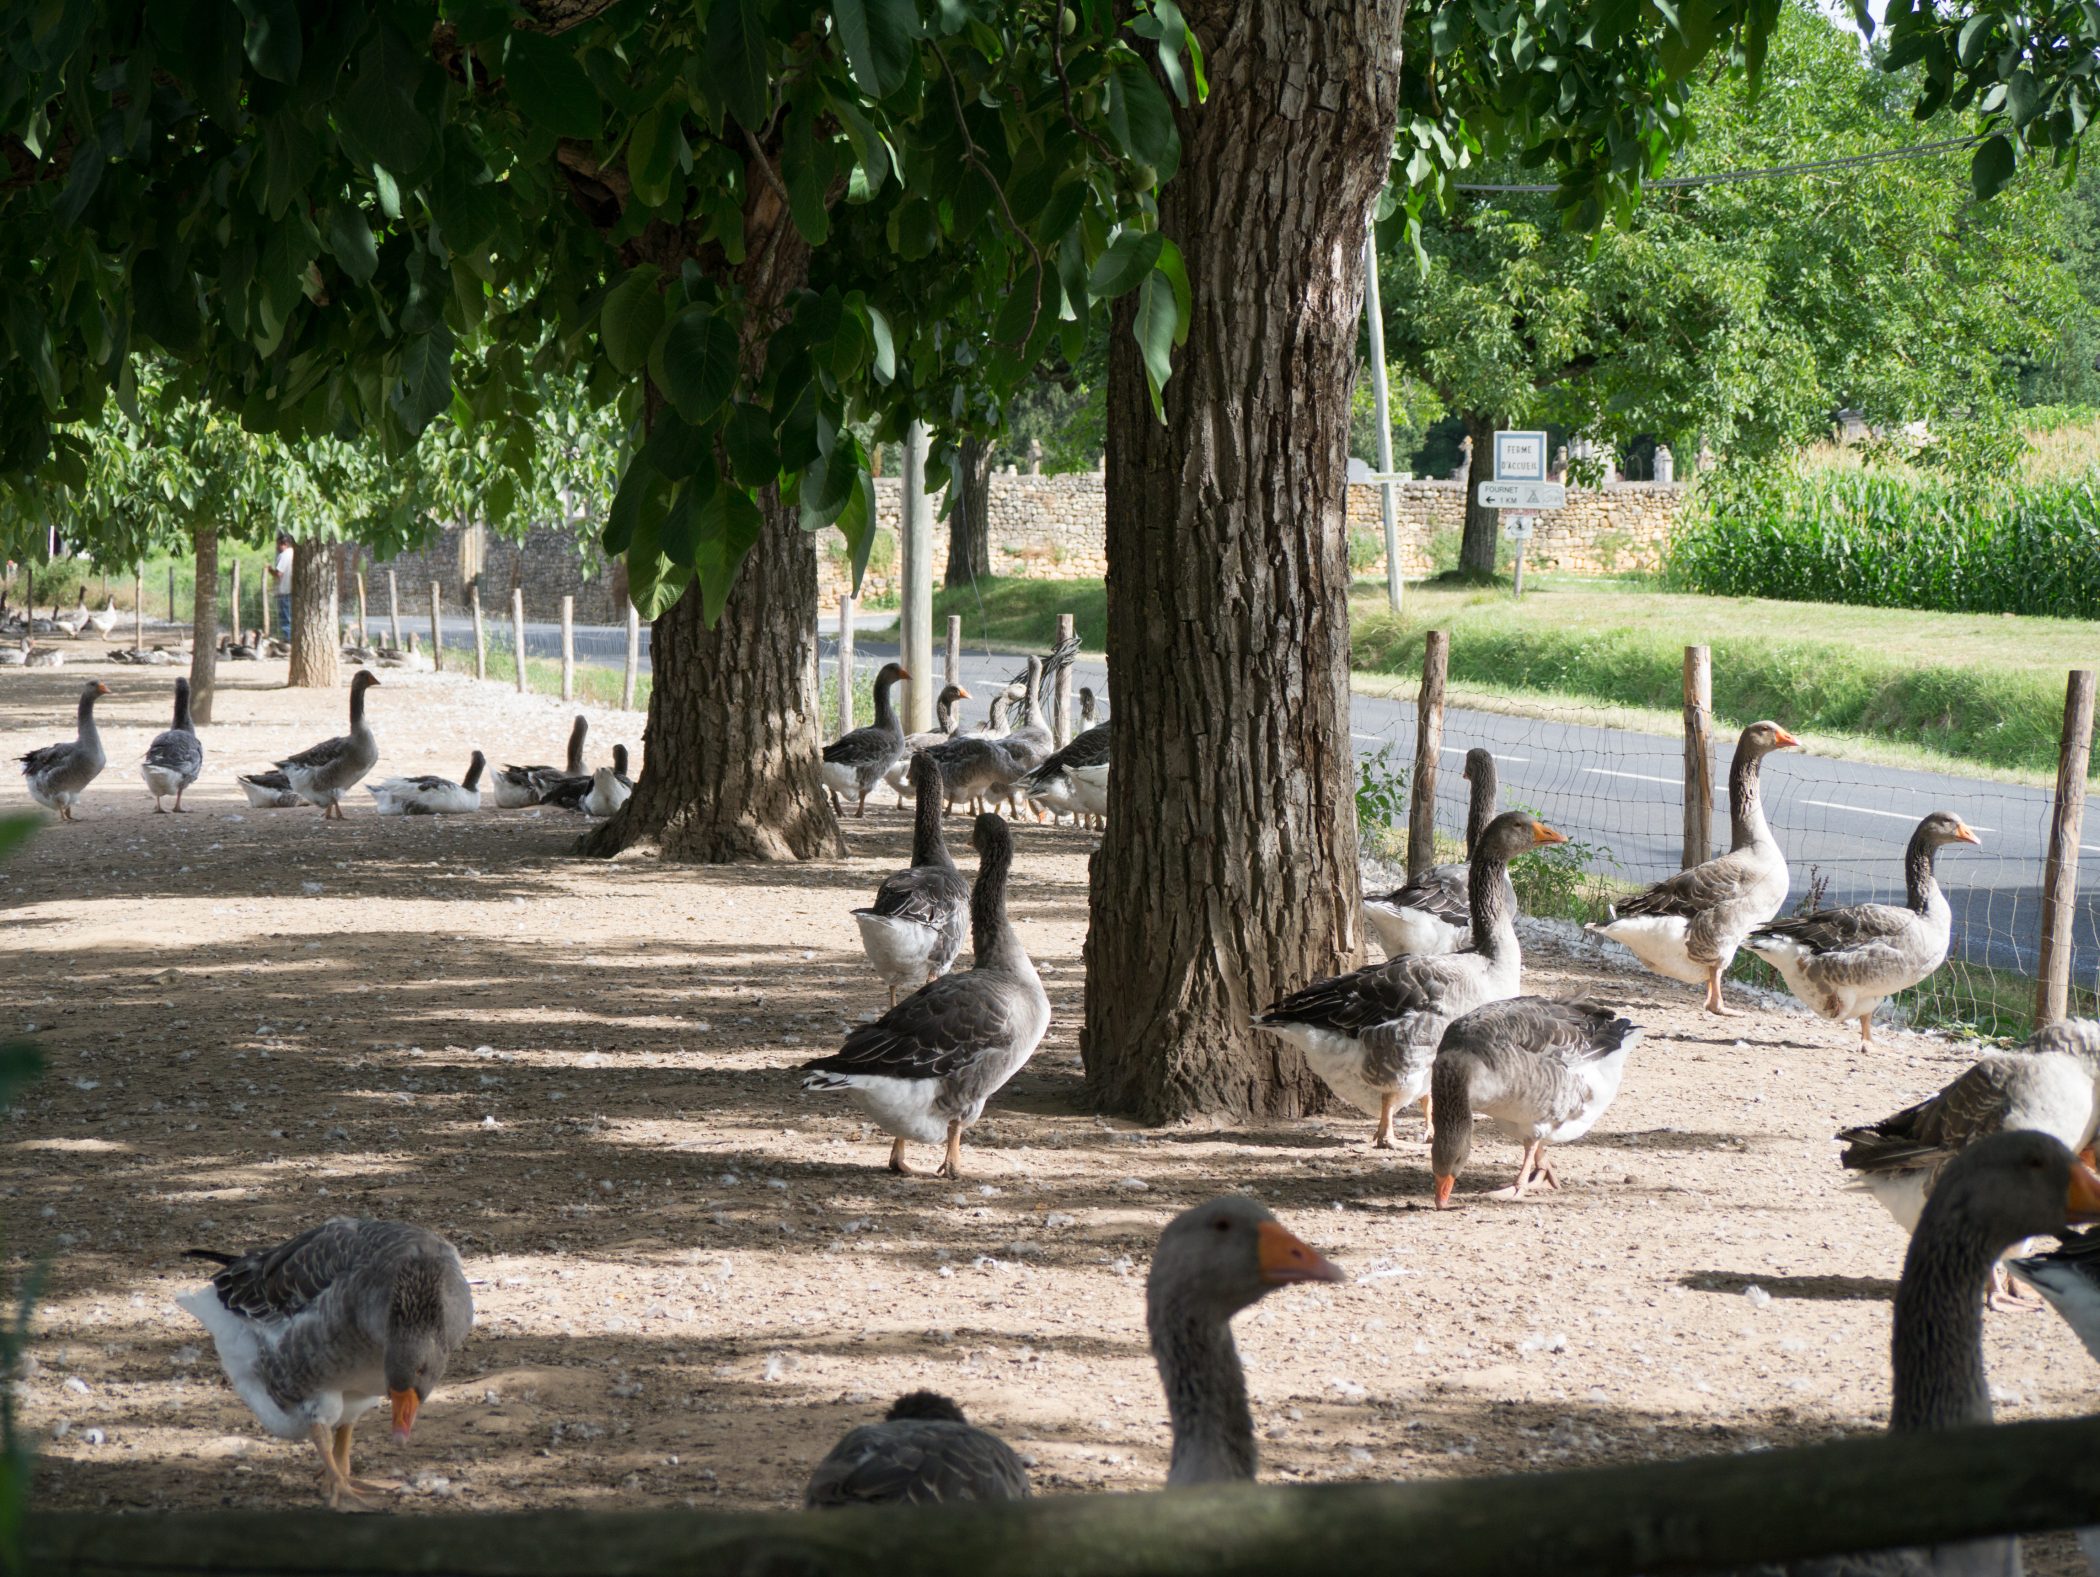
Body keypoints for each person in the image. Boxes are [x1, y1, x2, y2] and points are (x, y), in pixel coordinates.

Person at [273, 533, 294, 642]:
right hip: (293, 590)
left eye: (278, 544)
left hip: (284, 590)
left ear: (284, 544)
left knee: (285, 618)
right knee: (292, 616)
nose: (277, 547)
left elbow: (278, 573)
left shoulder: (284, 555)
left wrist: (269, 570)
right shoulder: (294, 553)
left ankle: (289, 640)